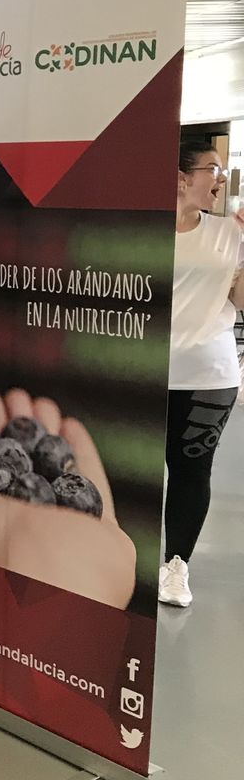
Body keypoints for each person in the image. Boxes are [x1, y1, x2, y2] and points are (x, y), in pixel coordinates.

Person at [162, 139, 243, 607]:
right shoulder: (140, 231)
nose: (220, 178)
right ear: (180, 177)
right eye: (212, 169)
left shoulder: (229, 233)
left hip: (209, 376)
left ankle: (177, 565)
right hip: (142, 374)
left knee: (192, 471)